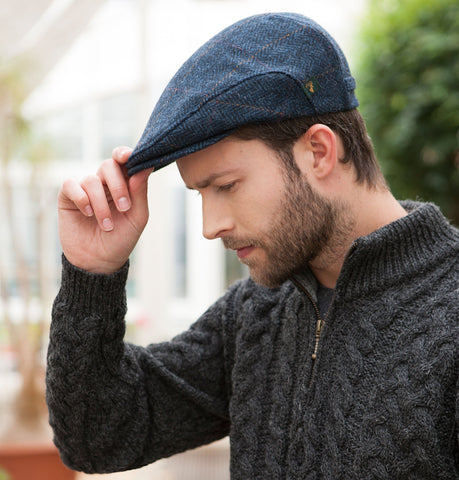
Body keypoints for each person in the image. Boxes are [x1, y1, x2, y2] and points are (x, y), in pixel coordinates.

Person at [46, 12, 459, 479]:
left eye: (226, 186)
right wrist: (92, 272)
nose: (209, 226)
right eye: (199, 194)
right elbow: (97, 438)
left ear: (319, 152)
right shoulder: (255, 313)